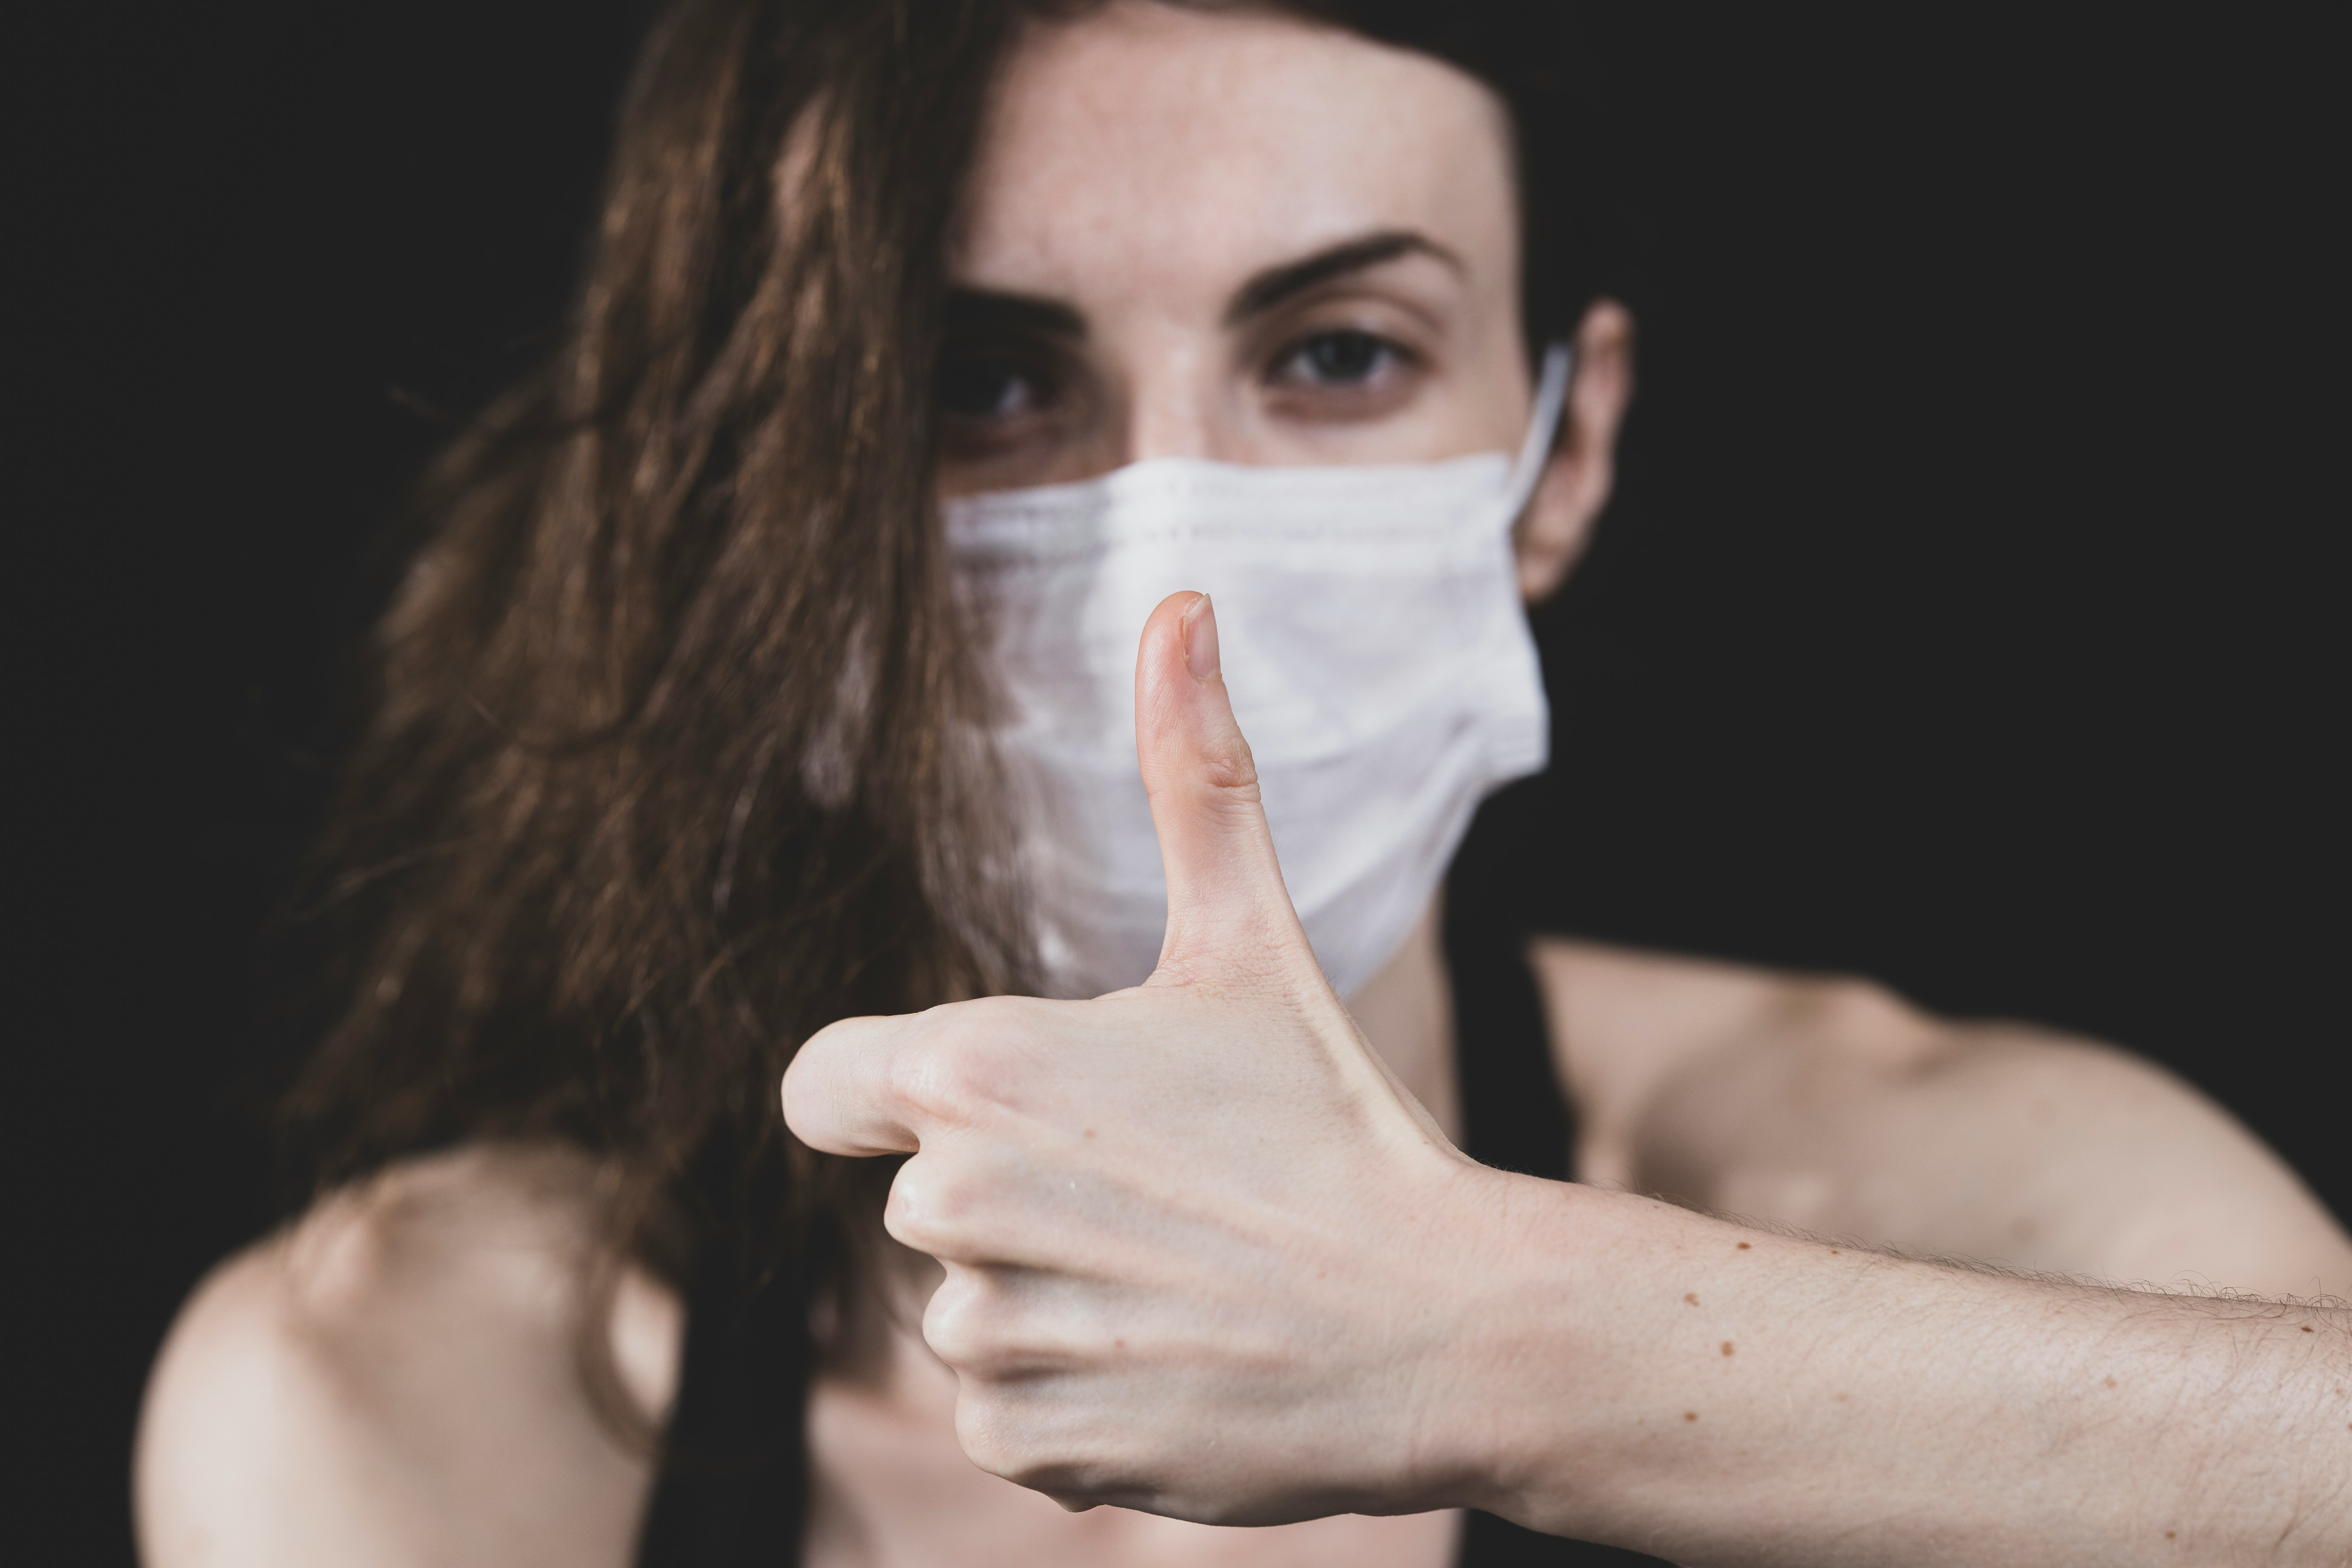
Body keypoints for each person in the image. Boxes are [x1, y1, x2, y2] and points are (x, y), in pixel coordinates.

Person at [135, 2, 2352, 1564]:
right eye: (982, 376)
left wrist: (1523, 1345)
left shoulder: (1945, 1200)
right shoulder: (421, 1395)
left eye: (1336, 355)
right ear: (748, 489)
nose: (1165, 543)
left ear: (1558, 453)